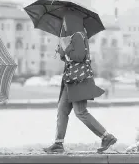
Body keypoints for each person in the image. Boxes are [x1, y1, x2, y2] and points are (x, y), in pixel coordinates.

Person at [43, 11, 117, 153]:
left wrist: (65, 51)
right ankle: (58, 144)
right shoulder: (74, 36)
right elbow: (72, 59)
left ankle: (106, 136)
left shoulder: (78, 35)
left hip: (78, 80)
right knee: (62, 110)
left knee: (80, 112)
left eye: (65, 21)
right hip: (71, 80)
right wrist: (62, 54)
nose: (64, 24)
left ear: (72, 21)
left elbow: (79, 56)